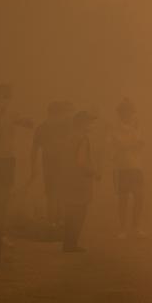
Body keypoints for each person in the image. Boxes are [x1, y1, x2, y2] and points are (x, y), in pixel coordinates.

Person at [0, 83, 33, 230]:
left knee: (4, 193)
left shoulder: (13, 113)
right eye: (2, 96)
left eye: (8, 96)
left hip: (8, 158)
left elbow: (27, 123)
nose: (5, 99)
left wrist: (27, 122)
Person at [30, 101, 74, 227]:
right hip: (50, 165)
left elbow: (72, 145)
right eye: (58, 114)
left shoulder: (64, 127)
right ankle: (53, 221)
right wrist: (33, 167)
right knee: (52, 193)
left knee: (59, 193)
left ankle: (59, 221)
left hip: (62, 164)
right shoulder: (42, 129)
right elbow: (34, 149)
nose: (59, 117)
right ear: (52, 114)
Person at [62, 110, 98, 253]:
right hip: (80, 181)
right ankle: (72, 244)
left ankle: (67, 244)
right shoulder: (83, 138)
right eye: (89, 121)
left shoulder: (69, 137)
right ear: (82, 123)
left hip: (69, 178)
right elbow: (81, 162)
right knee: (80, 211)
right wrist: (94, 172)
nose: (91, 124)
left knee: (70, 210)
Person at [110, 98, 145, 239]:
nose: (130, 115)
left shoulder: (137, 127)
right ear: (121, 113)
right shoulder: (115, 127)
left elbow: (142, 144)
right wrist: (133, 144)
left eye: (131, 112)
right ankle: (122, 229)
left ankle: (136, 227)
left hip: (137, 166)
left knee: (139, 197)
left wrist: (132, 144)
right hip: (121, 167)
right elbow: (120, 145)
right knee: (123, 198)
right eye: (127, 112)